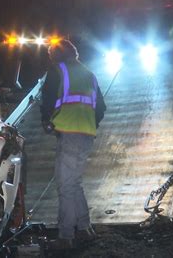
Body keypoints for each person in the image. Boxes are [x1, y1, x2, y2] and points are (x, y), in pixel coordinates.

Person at [40, 40, 106, 249]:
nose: (50, 59)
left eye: (51, 55)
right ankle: (85, 228)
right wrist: (87, 124)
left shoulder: (57, 71)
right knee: (74, 182)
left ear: (55, 56)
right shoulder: (89, 74)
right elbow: (101, 107)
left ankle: (65, 236)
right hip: (86, 134)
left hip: (68, 134)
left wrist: (48, 122)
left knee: (65, 186)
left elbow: (48, 102)